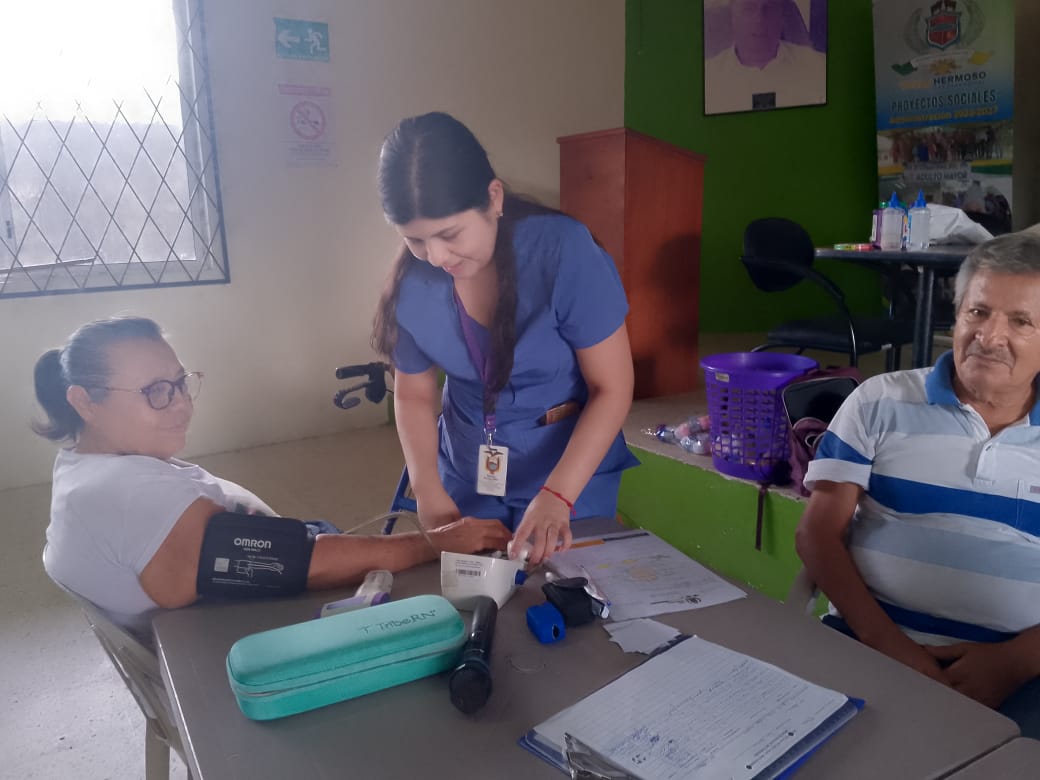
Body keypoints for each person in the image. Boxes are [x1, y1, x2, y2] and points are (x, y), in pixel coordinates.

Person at [37, 316, 510, 638]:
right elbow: (295, 562)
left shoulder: (87, 466)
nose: (180, 404)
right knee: (464, 612)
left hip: (275, 578)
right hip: (265, 630)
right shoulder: (130, 495)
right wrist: (434, 543)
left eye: (180, 383)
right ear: (85, 402)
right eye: (155, 392)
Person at [795, 232, 1040, 737]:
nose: (990, 336)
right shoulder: (879, 401)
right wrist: (895, 650)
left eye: (1020, 321)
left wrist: (1015, 662)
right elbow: (816, 533)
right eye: (978, 312)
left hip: (1024, 672)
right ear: (957, 316)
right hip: (871, 644)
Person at [372, 112, 638, 566]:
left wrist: (558, 495)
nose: (435, 257)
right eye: (415, 240)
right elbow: (413, 394)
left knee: (568, 588)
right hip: (468, 467)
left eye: (449, 234)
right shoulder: (414, 283)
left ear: (493, 198)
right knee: (475, 591)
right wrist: (428, 491)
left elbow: (611, 388)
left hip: (569, 469)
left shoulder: (563, 252)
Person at [704, 0, 825, 114]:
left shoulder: (820, 66)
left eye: (769, 9)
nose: (759, 19)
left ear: (781, 18)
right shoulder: (709, 77)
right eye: (748, 9)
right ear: (732, 19)